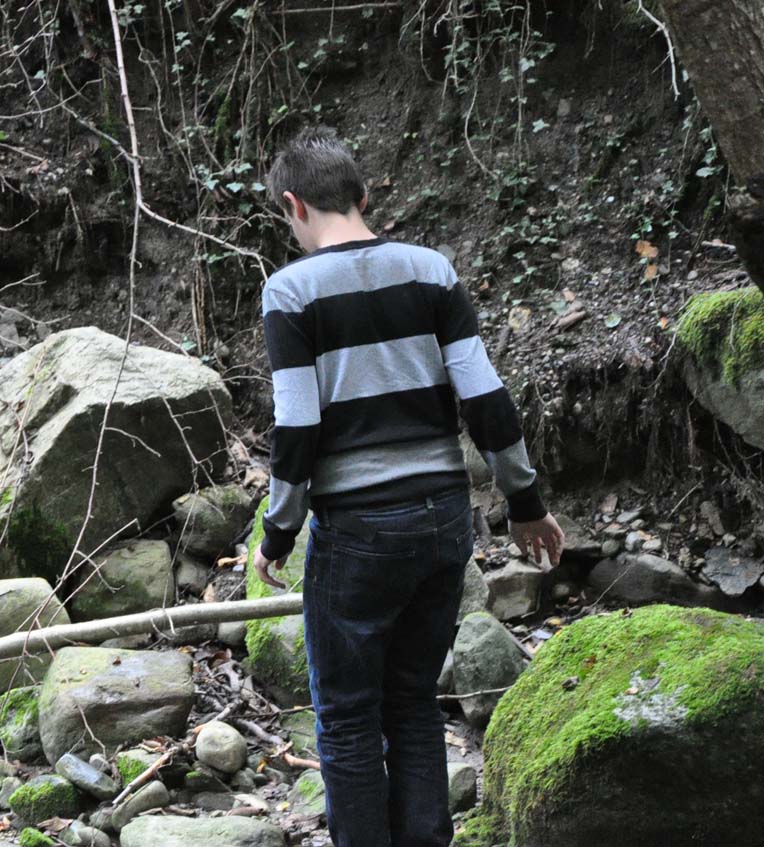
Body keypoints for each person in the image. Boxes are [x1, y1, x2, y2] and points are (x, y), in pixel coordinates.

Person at [252, 127, 564, 847]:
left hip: (358, 529)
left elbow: (296, 424)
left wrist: (279, 529)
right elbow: (486, 397)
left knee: (347, 716)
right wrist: (524, 503)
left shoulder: (290, 291)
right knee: (414, 702)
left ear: (294, 205)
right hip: (443, 519)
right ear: (363, 197)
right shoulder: (431, 271)